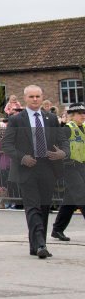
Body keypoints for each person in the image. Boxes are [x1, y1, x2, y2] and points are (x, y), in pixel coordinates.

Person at [2, 85, 68, 258]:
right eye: (31, 96)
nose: (35, 99)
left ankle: (38, 244)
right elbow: (7, 145)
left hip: (47, 166)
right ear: (25, 98)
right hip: (27, 168)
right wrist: (22, 157)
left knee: (44, 207)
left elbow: (63, 140)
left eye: (38, 96)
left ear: (42, 97)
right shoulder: (17, 120)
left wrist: (63, 153)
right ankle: (40, 245)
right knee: (33, 207)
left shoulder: (51, 118)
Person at [50, 102, 85, 241]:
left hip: (82, 166)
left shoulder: (83, 128)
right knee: (82, 195)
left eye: (84, 113)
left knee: (70, 200)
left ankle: (57, 229)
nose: (83, 115)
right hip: (70, 166)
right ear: (72, 116)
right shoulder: (67, 129)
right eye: (80, 113)